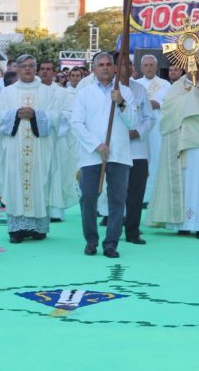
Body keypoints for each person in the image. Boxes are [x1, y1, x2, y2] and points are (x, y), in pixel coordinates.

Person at [147, 63, 199, 239]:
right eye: (192, 67)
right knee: (183, 183)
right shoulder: (175, 89)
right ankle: (181, 223)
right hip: (181, 144)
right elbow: (168, 113)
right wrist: (191, 100)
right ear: (186, 68)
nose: (195, 71)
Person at [71, 52, 135, 257]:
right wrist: (97, 145)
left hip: (119, 154)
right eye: (101, 65)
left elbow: (133, 122)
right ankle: (91, 240)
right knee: (88, 197)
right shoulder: (85, 93)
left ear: (115, 68)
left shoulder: (124, 92)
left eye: (109, 64)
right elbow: (76, 123)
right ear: (94, 69)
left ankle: (111, 244)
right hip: (92, 155)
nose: (105, 68)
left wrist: (122, 103)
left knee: (117, 200)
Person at [0, 55, 58, 243]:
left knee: (39, 182)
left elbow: (56, 116)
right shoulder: (7, 92)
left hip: (39, 148)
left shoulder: (47, 92)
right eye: (23, 66)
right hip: (15, 147)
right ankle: (17, 229)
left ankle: (38, 228)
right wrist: (15, 114)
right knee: (15, 183)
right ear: (17, 69)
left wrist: (35, 115)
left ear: (36, 68)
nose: (28, 69)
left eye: (32, 66)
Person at [39, 62, 78, 222]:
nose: (45, 72)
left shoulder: (62, 93)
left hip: (57, 138)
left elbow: (70, 114)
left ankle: (55, 210)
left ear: (54, 73)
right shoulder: (33, 91)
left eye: (48, 69)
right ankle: (39, 208)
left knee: (56, 173)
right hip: (38, 139)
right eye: (42, 69)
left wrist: (53, 118)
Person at [123, 60, 155, 244]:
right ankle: (114, 228)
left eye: (128, 65)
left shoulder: (140, 90)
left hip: (138, 150)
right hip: (116, 149)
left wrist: (138, 132)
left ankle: (132, 231)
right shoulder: (108, 90)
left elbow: (149, 119)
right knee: (117, 192)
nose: (125, 69)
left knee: (136, 193)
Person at [135, 55, 171, 204]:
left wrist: (159, 104)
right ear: (141, 68)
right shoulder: (135, 85)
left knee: (156, 158)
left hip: (158, 130)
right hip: (141, 128)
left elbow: (170, 104)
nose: (149, 68)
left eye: (151, 65)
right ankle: (141, 196)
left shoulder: (165, 85)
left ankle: (156, 196)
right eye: (146, 65)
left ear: (156, 67)